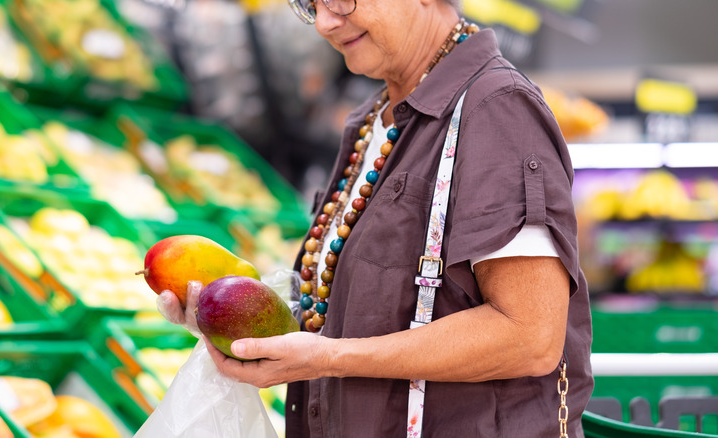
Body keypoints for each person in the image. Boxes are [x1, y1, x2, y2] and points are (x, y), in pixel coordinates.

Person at [158, 0, 594, 436]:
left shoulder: (495, 109)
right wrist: (237, 317)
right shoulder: (374, 118)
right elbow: (367, 312)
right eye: (310, 4)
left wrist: (327, 358)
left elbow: (529, 336)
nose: (326, 22)